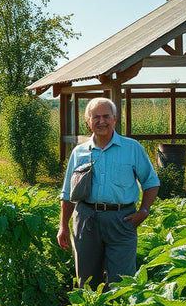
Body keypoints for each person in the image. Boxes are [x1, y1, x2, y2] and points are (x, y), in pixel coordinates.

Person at [57, 97, 160, 288]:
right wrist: (63, 226)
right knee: (87, 280)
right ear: (88, 121)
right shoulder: (79, 152)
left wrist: (144, 211)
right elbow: (67, 193)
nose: (101, 121)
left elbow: (151, 182)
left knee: (122, 280)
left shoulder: (132, 148)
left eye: (106, 116)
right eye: (95, 117)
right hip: (86, 219)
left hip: (122, 219)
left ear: (115, 119)